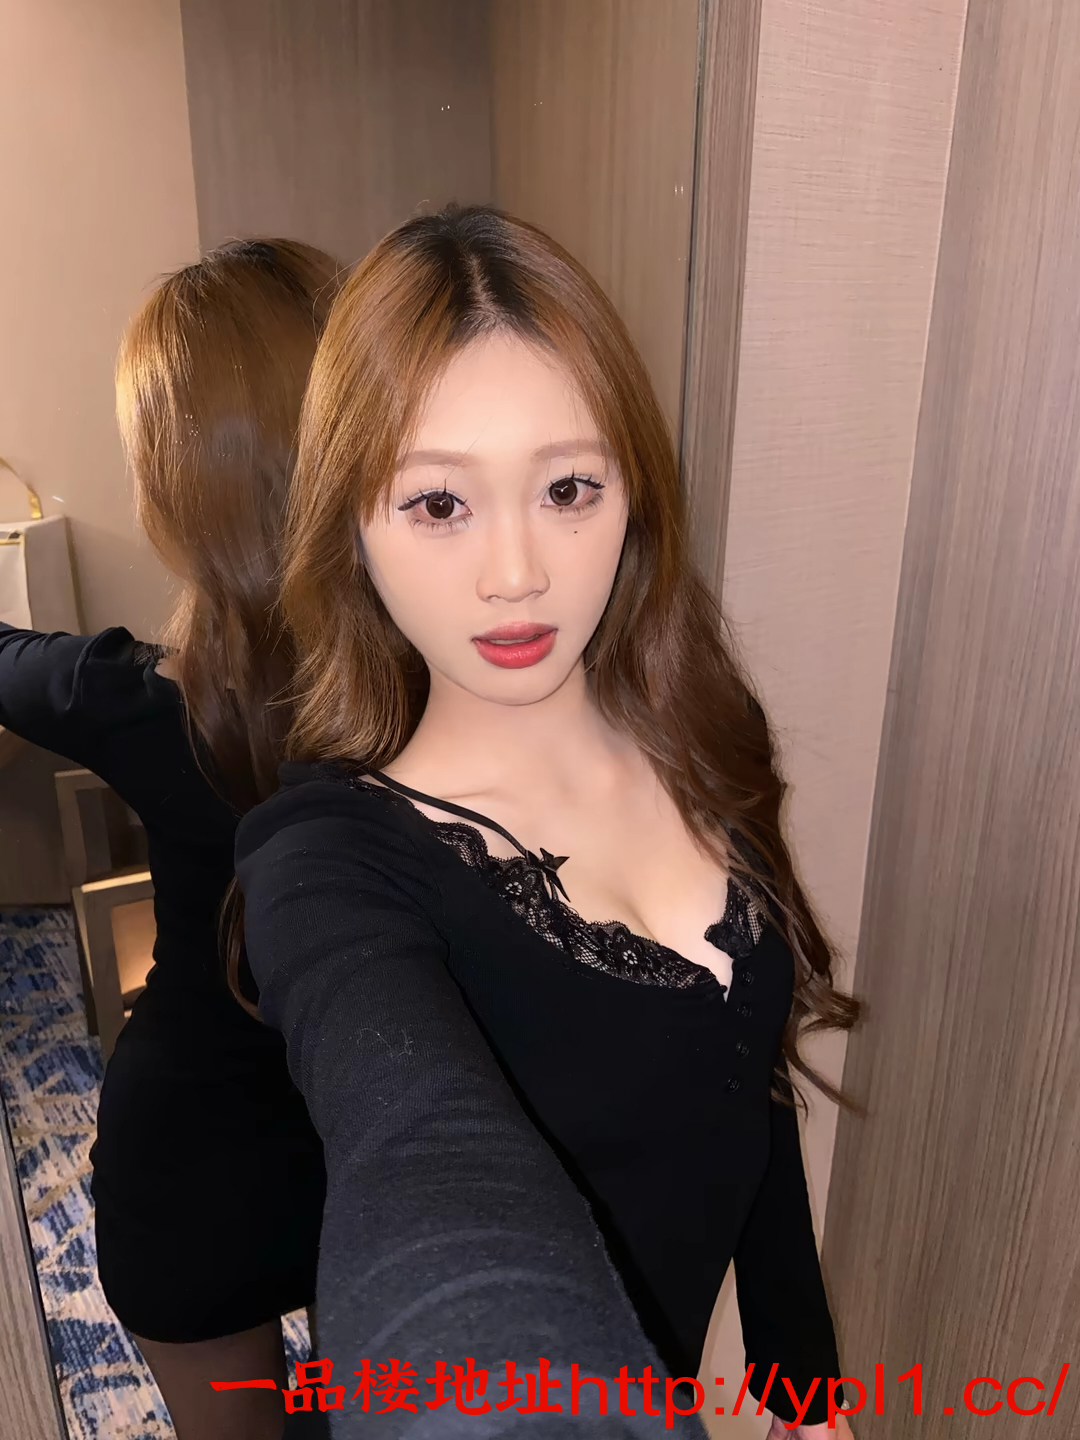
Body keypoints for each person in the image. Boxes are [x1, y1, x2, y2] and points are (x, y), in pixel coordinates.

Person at [235, 205, 861, 1438]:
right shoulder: (328, 867)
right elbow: (417, 1154)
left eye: (569, 488)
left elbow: (747, 1070)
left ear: (634, 496)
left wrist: (804, 1387)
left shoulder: (705, 733)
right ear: (351, 528)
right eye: (439, 504)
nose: (516, 572)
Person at [0, 239, 342, 1440]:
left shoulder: (144, 704)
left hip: (192, 1170)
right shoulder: (446, 704)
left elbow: (7, 659)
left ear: (172, 497)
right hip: (371, 1149)